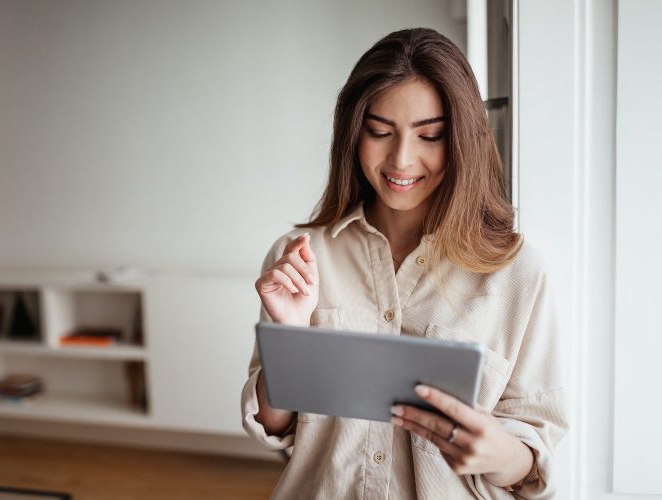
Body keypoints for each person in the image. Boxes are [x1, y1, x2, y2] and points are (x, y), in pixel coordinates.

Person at [240, 27, 568, 499]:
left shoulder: (519, 273)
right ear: (354, 132)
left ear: (462, 140)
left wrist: (499, 453)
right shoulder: (300, 257)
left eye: (429, 135)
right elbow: (274, 428)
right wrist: (289, 339)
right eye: (380, 132)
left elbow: (535, 458)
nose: (401, 159)